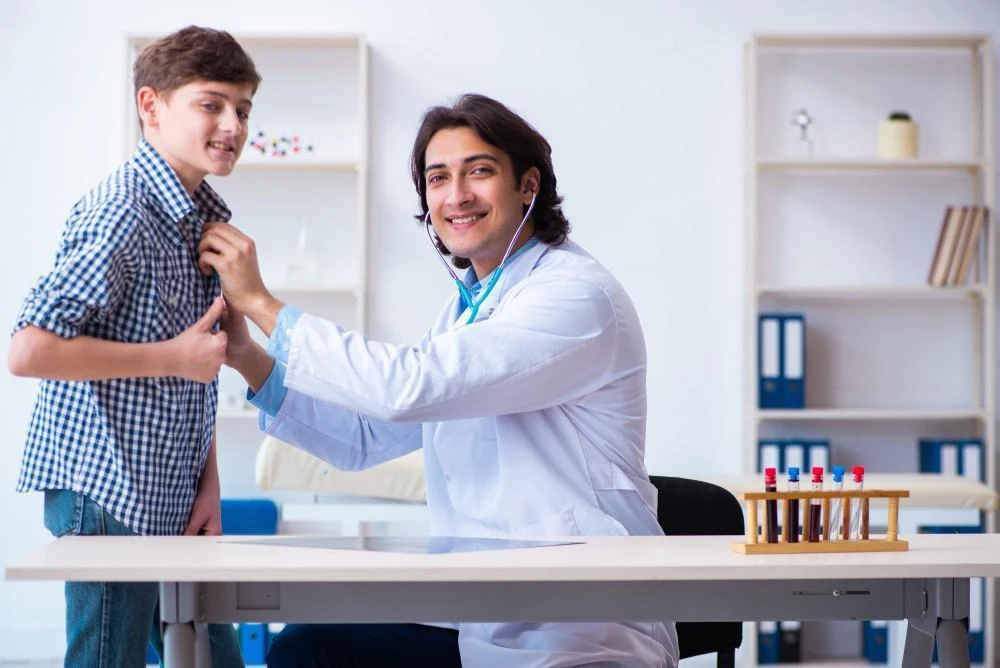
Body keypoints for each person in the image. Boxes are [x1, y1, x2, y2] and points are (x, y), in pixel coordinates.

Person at [201, 93, 678, 667]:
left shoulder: (574, 295)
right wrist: (249, 356)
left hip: (576, 627)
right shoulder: (468, 312)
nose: (456, 195)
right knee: (308, 648)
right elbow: (366, 436)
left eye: (479, 171)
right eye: (437, 178)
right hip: (479, 613)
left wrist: (259, 302)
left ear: (528, 186)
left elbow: (411, 388)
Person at [7, 25, 260, 668]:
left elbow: (195, 373)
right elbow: (28, 350)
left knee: (213, 657)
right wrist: (171, 356)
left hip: (172, 491)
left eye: (243, 108)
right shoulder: (123, 211)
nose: (232, 124)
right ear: (151, 107)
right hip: (106, 491)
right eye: (211, 104)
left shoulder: (202, 215)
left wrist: (208, 483)